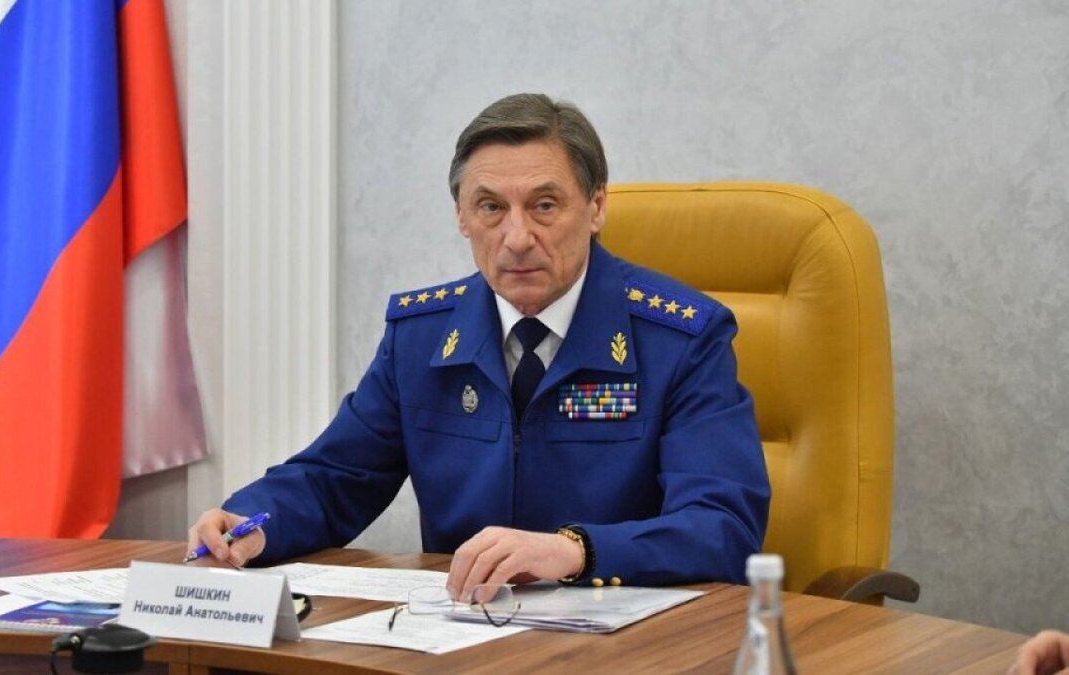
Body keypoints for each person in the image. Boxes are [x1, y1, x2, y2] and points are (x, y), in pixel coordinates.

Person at [188, 93, 770, 600]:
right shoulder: (420, 337)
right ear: (462, 217)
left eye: (544, 205)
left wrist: (575, 551)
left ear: (596, 207)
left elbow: (722, 526)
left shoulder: (681, 339)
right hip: (462, 635)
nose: (517, 238)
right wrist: (250, 523)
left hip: (625, 645)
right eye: (491, 207)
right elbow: (334, 478)